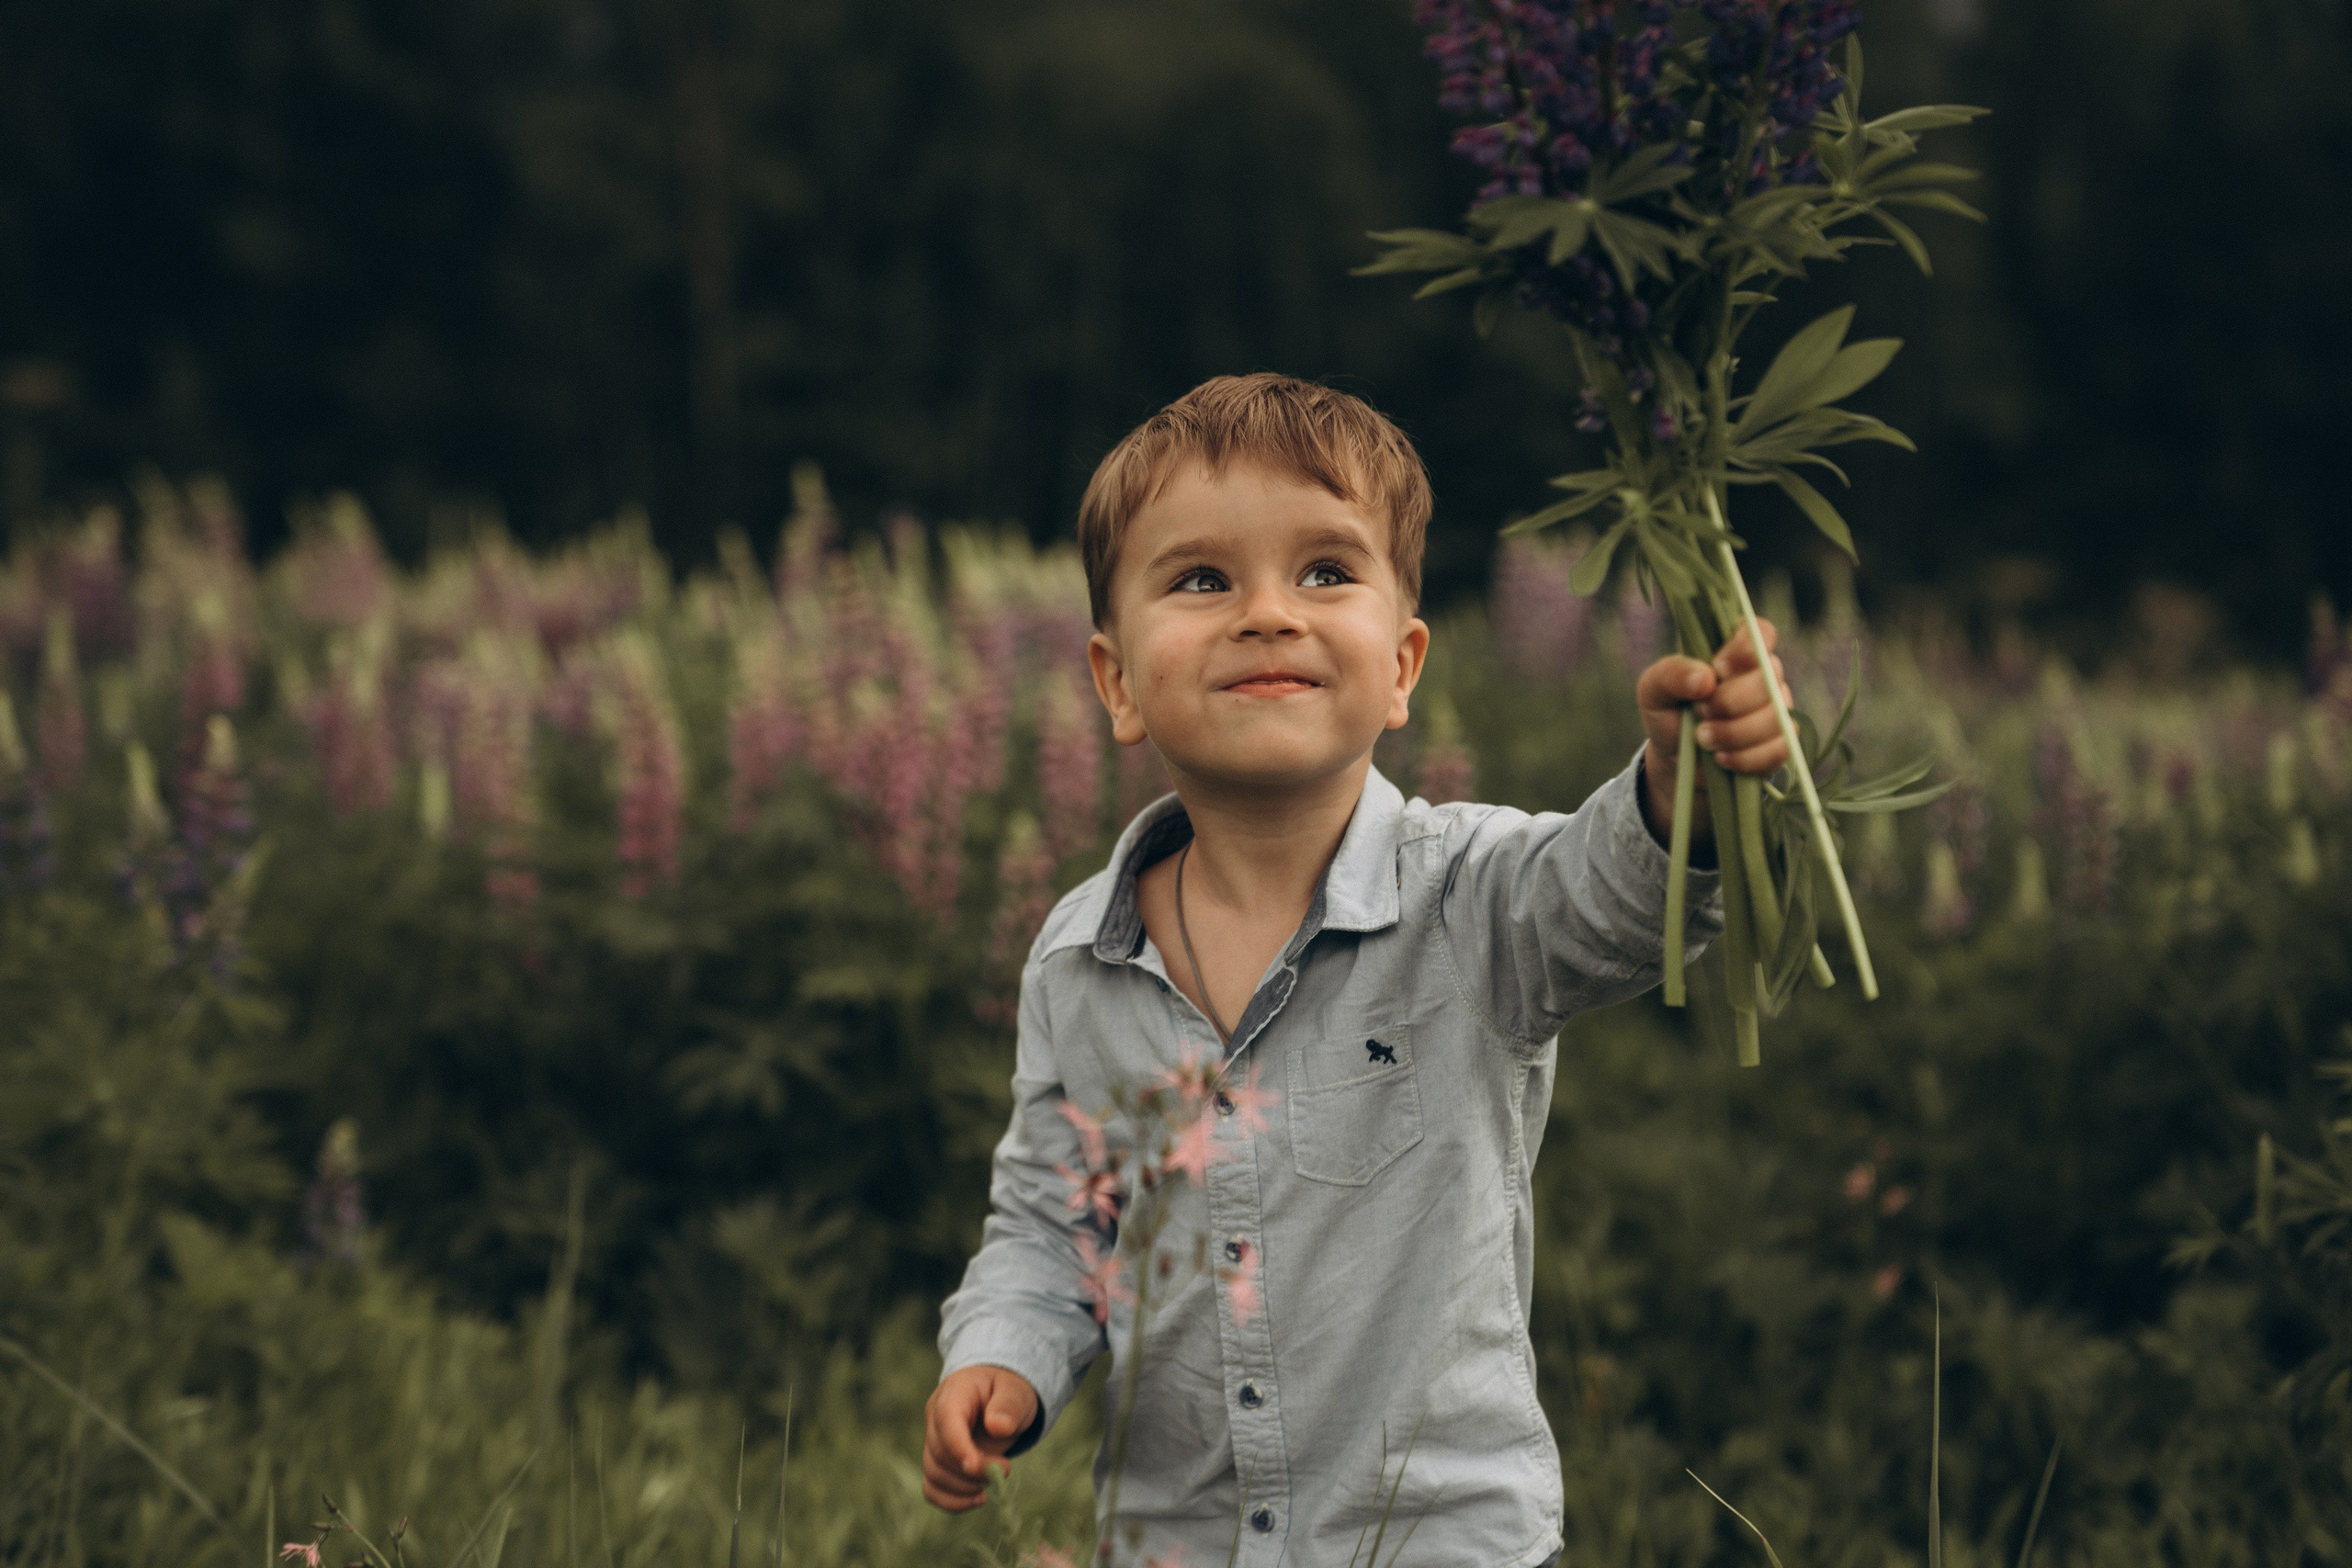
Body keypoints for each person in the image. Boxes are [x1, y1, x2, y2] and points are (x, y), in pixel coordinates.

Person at [922, 373, 1792, 1566]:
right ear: (1117, 680)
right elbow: (1050, 1222)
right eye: (1201, 580)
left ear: (1402, 666)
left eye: (1326, 571)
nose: (1267, 612)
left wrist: (1681, 785)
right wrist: (1000, 1359)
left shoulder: (1473, 897)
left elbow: (1615, 902)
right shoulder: (1080, 961)